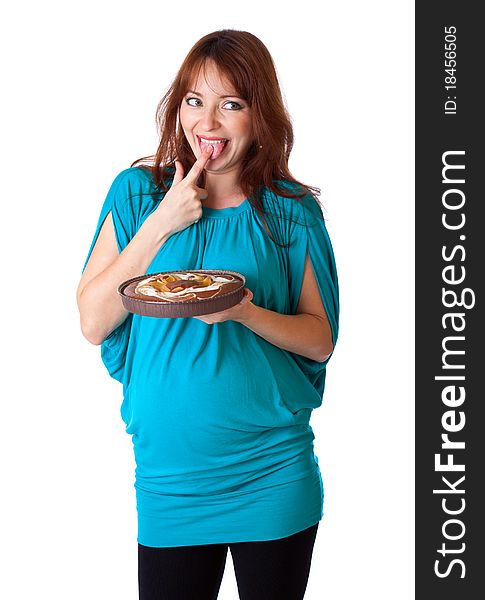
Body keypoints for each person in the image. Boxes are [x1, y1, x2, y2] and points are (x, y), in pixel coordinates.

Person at [77, 29, 339, 600]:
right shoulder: (137, 194)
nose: (208, 122)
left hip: (271, 475)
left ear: (259, 114)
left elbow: (319, 340)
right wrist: (162, 222)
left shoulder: (292, 213)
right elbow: (94, 322)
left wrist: (245, 314)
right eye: (195, 101)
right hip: (170, 482)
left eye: (232, 104)